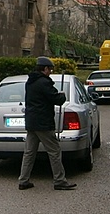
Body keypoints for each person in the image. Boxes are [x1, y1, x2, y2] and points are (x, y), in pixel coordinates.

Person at [18, 56, 77, 191]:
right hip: (43, 123)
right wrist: (62, 95)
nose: (50, 72)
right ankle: (60, 180)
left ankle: (23, 180)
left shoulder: (30, 81)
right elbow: (55, 99)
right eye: (49, 69)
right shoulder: (44, 82)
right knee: (54, 151)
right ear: (44, 69)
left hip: (32, 122)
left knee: (29, 152)